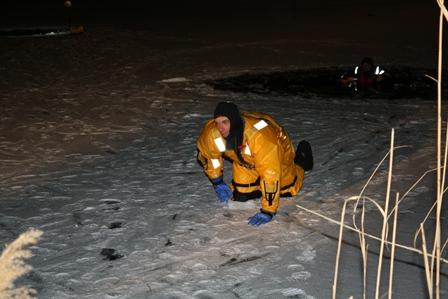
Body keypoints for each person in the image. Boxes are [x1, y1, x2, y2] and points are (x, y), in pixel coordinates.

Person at [196, 101, 313, 226]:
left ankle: (300, 163)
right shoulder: (213, 133)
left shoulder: (261, 137)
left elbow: (270, 174)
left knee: (287, 190)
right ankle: (256, 179)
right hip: (245, 162)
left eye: (225, 122)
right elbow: (209, 157)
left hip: (278, 156)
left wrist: (268, 210)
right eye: (217, 122)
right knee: (242, 195)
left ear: (234, 121)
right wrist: (217, 181)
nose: (220, 127)